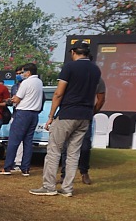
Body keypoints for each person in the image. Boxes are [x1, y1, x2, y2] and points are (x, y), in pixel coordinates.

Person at [30, 41, 101, 197]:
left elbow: (59, 93)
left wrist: (51, 116)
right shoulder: (96, 70)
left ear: (74, 52)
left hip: (68, 113)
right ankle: (67, 188)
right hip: (85, 115)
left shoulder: (70, 67)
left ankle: (49, 186)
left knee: (54, 150)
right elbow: (98, 94)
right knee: (73, 153)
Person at [0, 63, 44, 177]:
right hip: (34, 114)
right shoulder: (39, 82)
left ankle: (7, 167)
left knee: (14, 141)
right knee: (28, 142)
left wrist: (11, 100)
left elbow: (17, 99)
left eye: (23, 72)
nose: (22, 74)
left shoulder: (26, 83)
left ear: (28, 72)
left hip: (23, 113)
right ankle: (25, 168)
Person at [59, 77, 105, 184]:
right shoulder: (71, 78)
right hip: (69, 115)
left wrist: (93, 112)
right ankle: (64, 174)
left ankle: (84, 172)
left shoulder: (96, 79)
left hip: (84, 116)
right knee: (66, 147)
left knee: (84, 147)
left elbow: (101, 99)